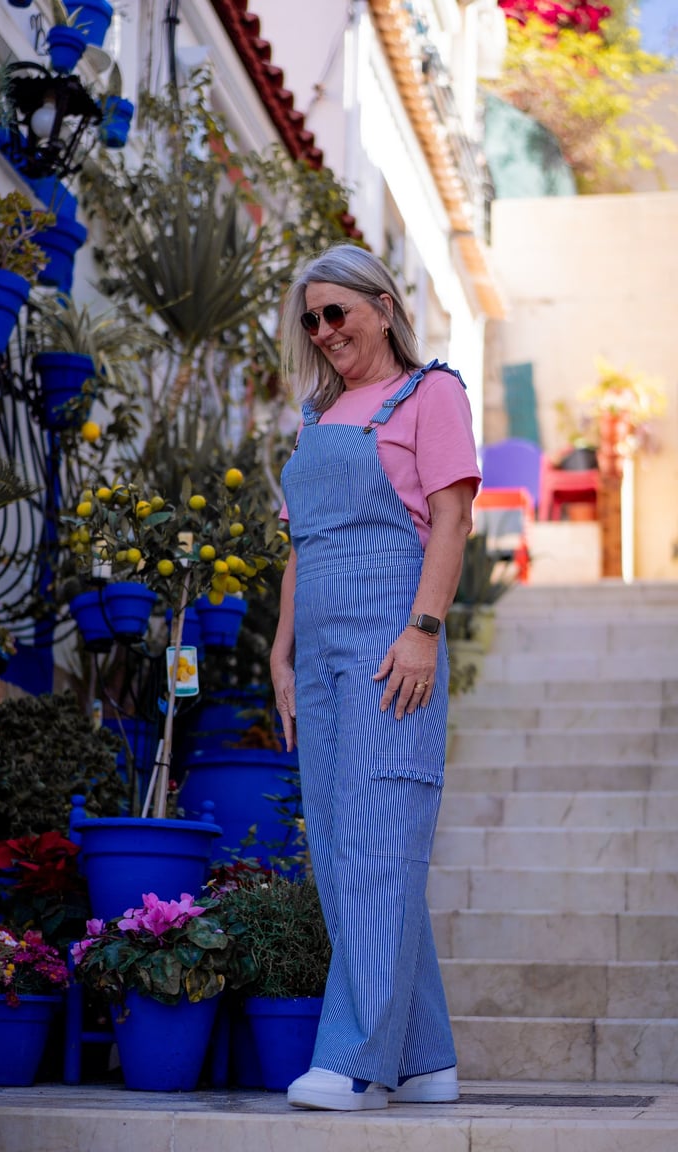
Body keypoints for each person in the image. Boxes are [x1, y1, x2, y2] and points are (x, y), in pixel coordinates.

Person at [270, 243, 481, 1112]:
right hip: (318, 658)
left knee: (378, 846)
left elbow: (452, 519)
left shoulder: (432, 394)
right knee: (338, 849)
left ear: (383, 308)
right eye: (311, 320)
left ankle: (354, 1061)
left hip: (393, 651)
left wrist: (423, 632)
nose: (324, 331)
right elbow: (301, 546)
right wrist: (280, 652)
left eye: (337, 313)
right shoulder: (317, 418)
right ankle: (426, 1059)